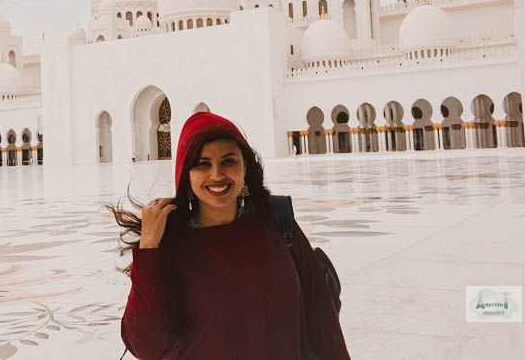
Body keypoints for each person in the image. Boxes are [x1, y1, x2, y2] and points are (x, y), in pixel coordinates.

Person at [109, 112, 349, 360]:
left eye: (228, 161)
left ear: (245, 167)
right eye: (202, 164)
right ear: (186, 173)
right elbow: (147, 346)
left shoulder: (278, 223)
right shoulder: (170, 245)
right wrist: (148, 248)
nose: (217, 175)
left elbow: (322, 318)